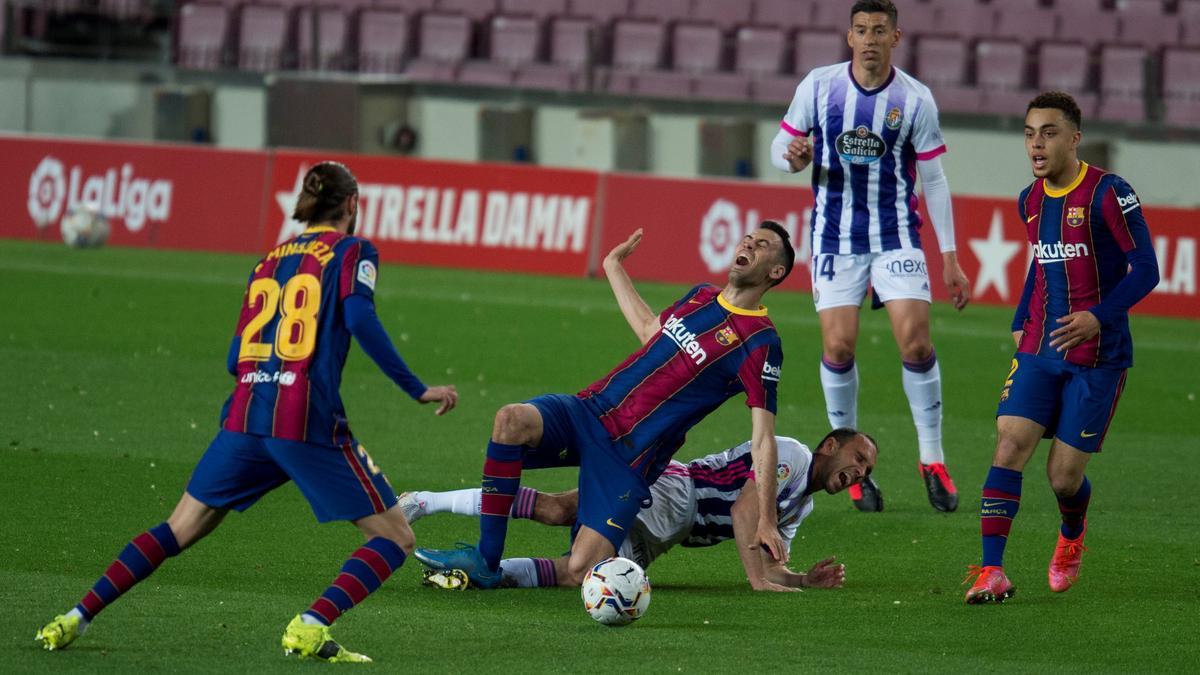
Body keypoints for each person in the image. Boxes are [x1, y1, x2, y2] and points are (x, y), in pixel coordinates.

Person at [34, 162, 459, 661]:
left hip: (246, 415)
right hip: (304, 419)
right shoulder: (352, 251)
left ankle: (74, 617)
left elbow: (236, 356)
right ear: (350, 204)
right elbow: (359, 317)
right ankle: (311, 624)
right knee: (395, 537)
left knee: (180, 527)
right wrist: (416, 388)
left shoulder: (269, 259)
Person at [415, 224, 794, 591]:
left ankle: (504, 571)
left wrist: (767, 519)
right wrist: (614, 267)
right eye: (748, 238)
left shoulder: (760, 342)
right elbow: (651, 332)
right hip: (591, 411)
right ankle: (486, 562)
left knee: (581, 570)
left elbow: (762, 439)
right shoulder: (701, 295)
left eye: (761, 244)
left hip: (630, 457)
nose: (748, 244)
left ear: (775, 272)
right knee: (510, 420)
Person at [770, 0, 970, 513]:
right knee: (837, 350)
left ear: (896, 37)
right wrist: (790, 158)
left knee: (917, 343)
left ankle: (932, 458)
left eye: (880, 30)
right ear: (850, 36)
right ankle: (851, 466)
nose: (870, 39)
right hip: (835, 239)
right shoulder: (819, 86)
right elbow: (783, 145)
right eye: (861, 30)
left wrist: (950, 256)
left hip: (897, 236)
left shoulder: (915, 99)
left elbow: (935, 179)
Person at [963, 92, 1159, 604]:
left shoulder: (1109, 193)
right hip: (1039, 346)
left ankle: (1071, 533)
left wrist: (1098, 317)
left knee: (1063, 477)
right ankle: (991, 571)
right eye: (1029, 133)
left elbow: (1147, 269)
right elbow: (1041, 263)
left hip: (1099, 357)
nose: (1036, 143)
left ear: (1075, 138)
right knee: (1008, 443)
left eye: (1048, 132)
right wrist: (1018, 318)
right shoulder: (1029, 199)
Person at [405, 429, 878, 592]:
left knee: (582, 574)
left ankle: (490, 574)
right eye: (858, 459)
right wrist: (756, 582)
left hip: (669, 533)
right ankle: (427, 502)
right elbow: (743, 515)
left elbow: (774, 566)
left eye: (867, 471)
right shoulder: (791, 456)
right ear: (830, 446)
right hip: (675, 492)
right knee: (559, 513)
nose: (860, 473)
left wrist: (798, 580)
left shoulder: (803, 505)